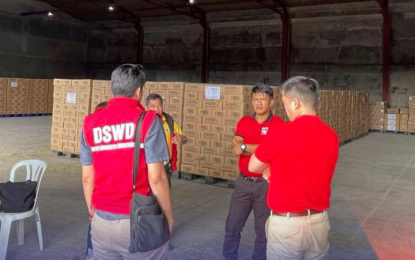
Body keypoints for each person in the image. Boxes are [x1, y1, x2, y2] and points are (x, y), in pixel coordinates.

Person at [80, 64, 173, 260]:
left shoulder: (90, 122)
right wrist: (168, 217)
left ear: (113, 88)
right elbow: (156, 178)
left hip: (100, 222)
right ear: (139, 91)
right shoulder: (148, 120)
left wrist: (93, 212)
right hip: (138, 223)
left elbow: (87, 177)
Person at [248, 76, 339, 260]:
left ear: (296, 102)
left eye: (285, 102)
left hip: (287, 227)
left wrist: (268, 168)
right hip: (319, 223)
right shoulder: (331, 135)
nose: (285, 109)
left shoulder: (280, 132)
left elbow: (253, 166)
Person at [222, 84, 284, 260]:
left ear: (271, 102)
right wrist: (261, 148)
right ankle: (229, 256)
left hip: (266, 185)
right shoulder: (244, 121)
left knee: (264, 230)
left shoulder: (278, 124)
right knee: (232, 225)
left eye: (262, 99)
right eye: (255, 99)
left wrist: (245, 147)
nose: (258, 103)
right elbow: (236, 149)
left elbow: (274, 151)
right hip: (243, 183)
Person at [146, 93, 187, 186]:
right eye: (153, 106)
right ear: (147, 107)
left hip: (165, 167)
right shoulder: (143, 122)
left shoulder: (169, 121)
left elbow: (184, 139)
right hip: (148, 167)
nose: (157, 109)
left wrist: (181, 139)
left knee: (164, 195)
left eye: (159, 106)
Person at [84, 101, 108, 260]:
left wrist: (90, 207)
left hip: (98, 194)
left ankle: (90, 252)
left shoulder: (89, 130)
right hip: (120, 200)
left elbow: (87, 178)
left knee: (95, 223)